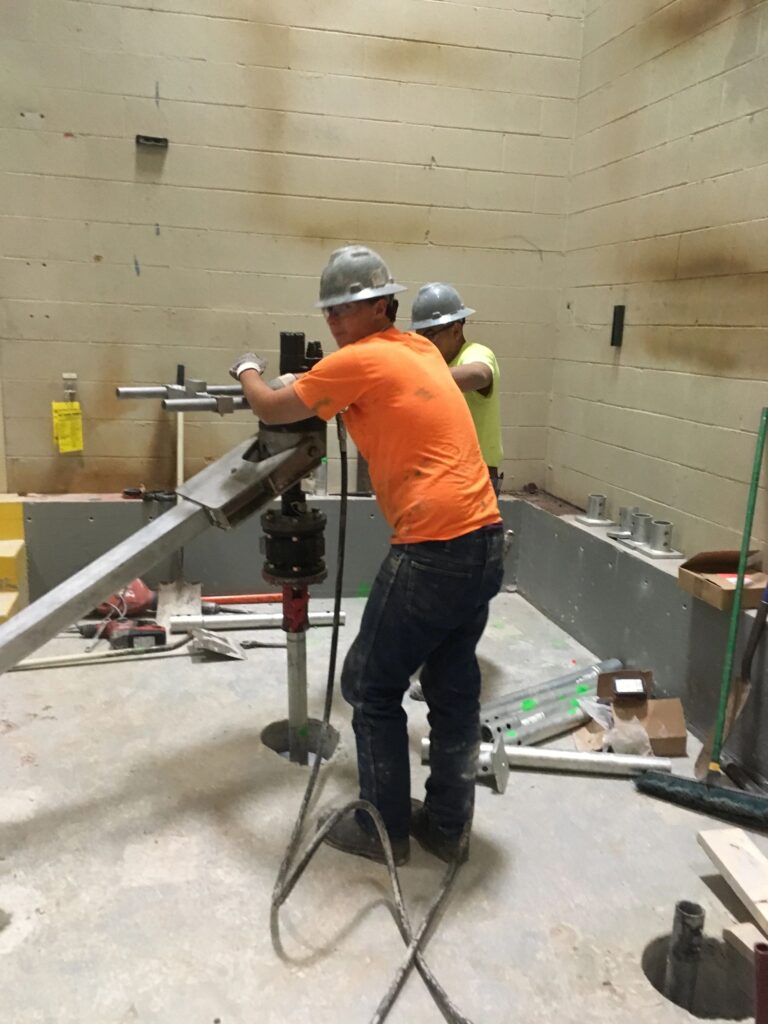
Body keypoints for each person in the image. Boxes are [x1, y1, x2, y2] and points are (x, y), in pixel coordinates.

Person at [229, 245, 504, 866]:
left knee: (368, 684)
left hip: (434, 546)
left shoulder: (361, 359)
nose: (335, 321)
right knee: (452, 688)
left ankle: (383, 832)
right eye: (330, 310)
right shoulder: (419, 350)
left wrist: (246, 369)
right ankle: (447, 828)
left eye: (347, 309)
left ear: (383, 304)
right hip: (484, 538)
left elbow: (273, 406)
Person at [410, 283, 504, 496]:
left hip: (474, 481)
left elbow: (479, 374)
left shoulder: (475, 353)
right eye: (420, 336)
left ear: (455, 330)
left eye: (430, 334)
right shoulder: (432, 364)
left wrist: (412, 381)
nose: (424, 343)